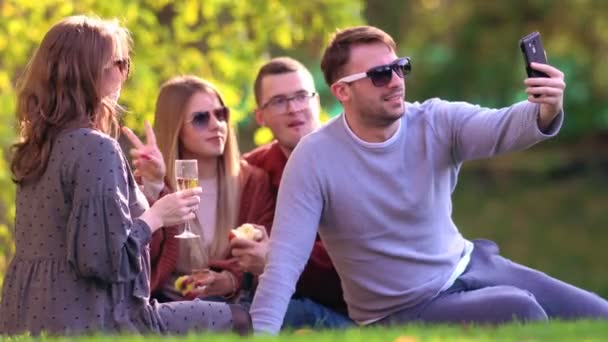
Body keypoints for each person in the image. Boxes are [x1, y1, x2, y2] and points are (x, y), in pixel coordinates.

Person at [249, 25, 608, 334]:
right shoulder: (313, 158)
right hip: (399, 310)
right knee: (521, 311)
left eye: (399, 68)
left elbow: (504, 126)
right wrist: (262, 334)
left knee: (599, 317)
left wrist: (548, 108)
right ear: (342, 91)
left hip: (469, 265)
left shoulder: (434, 121)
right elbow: (284, 263)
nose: (395, 82)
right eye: (379, 75)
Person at [0, 16, 250, 336]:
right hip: (96, 318)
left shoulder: (40, 146)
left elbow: (84, 235)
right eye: (120, 64)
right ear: (90, 73)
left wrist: (152, 189)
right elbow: (104, 262)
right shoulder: (96, 148)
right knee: (240, 319)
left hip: (30, 316)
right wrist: (158, 216)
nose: (124, 74)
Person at [122, 75, 274, 303]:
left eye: (221, 114)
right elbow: (138, 260)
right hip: (166, 309)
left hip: (234, 307)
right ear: (176, 129)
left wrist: (230, 279)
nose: (216, 124)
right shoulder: (151, 183)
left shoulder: (253, 182)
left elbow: (269, 252)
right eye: (201, 118)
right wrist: (153, 188)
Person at [240, 57, 352, 328]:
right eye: (279, 101)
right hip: (276, 301)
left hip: (349, 310)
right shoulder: (252, 169)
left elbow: (354, 261)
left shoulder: (353, 156)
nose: (293, 109)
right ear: (260, 117)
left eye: (302, 96)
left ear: (316, 101)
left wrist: (274, 258)